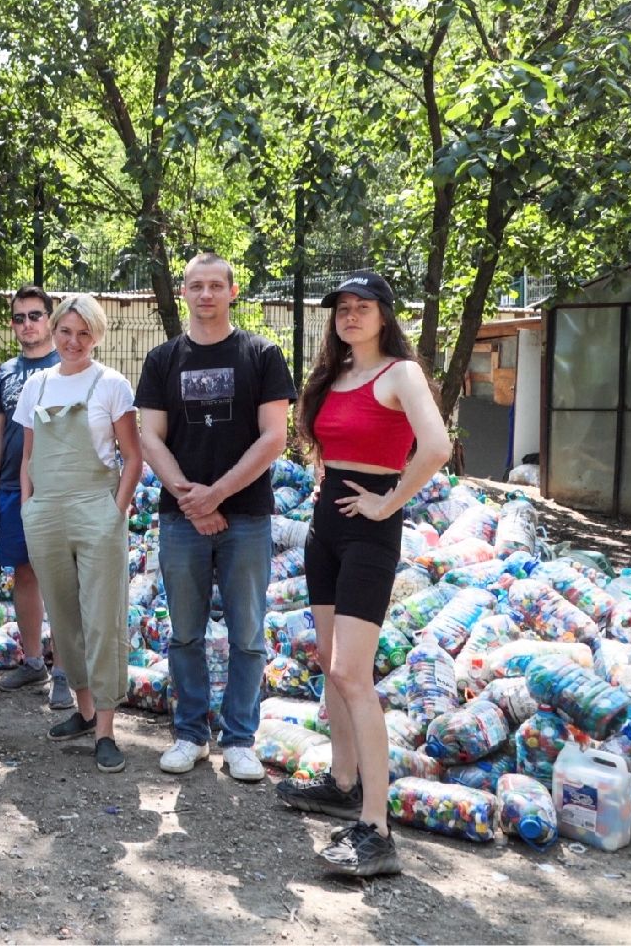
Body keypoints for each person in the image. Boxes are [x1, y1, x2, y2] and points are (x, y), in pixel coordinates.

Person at [277, 272, 450, 877]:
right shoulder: (335, 375)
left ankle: (376, 829)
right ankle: (343, 781)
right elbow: (325, 444)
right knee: (330, 663)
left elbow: (436, 447)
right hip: (325, 528)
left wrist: (387, 500)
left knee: (353, 672)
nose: (350, 316)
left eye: (362, 308)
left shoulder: (400, 372)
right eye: (342, 309)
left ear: (384, 315)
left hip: (371, 529)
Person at [135, 252, 295, 782]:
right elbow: (149, 436)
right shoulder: (162, 360)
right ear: (183, 293)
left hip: (247, 516)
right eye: (195, 286)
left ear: (232, 291)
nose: (205, 294)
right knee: (184, 633)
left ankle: (241, 739)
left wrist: (217, 496)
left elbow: (274, 437)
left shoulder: (262, 354)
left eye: (214, 286)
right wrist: (189, 498)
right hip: (182, 519)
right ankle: (189, 734)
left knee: (248, 633)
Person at [15, 294, 143, 773]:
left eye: (83, 334)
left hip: (96, 508)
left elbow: (133, 455)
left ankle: (107, 729)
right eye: (65, 332)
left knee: (102, 616)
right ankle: (84, 712)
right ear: (54, 331)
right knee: (64, 613)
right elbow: (26, 454)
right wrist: (28, 504)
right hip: (46, 511)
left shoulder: (110, 384)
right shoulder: (37, 384)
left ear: (97, 336)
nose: (72, 342)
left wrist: (116, 511)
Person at [0, 286, 68, 703]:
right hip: (13, 490)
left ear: (50, 318)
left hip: (59, 491)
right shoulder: (7, 374)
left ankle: (67, 670)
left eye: (35, 315)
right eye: (19, 317)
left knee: (64, 579)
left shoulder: (69, 365)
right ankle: (34, 663)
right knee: (25, 573)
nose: (27, 324)